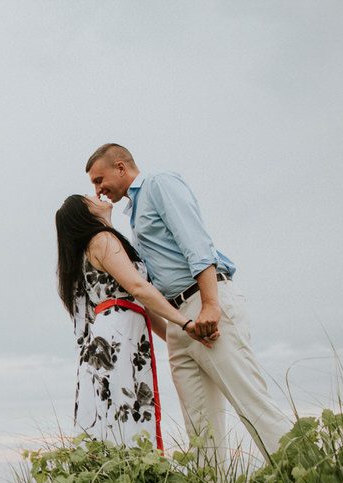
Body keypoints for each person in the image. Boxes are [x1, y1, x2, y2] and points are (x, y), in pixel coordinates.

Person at [84, 143, 290, 463]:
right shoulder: (134, 213)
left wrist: (210, 305)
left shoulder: (158, 183)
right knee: (201, 430)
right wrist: (178, 334)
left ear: (121, 167)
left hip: (204, 302)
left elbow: (196, 242)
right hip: (182, 322)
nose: (98, 190)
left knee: (251, 404)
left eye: (99, 179)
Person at [55, 194, 210, 449]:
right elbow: (139, 288)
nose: (96, 194)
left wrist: (176, 337)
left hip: (115, 329)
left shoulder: (97, 244)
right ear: (85, 212)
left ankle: (122, 471)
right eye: (88, 197)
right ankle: (133, 468)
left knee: (117, 403)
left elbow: (141, 304)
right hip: (119, 332)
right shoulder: (102, 240)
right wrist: (185, 323)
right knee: (126, 401)